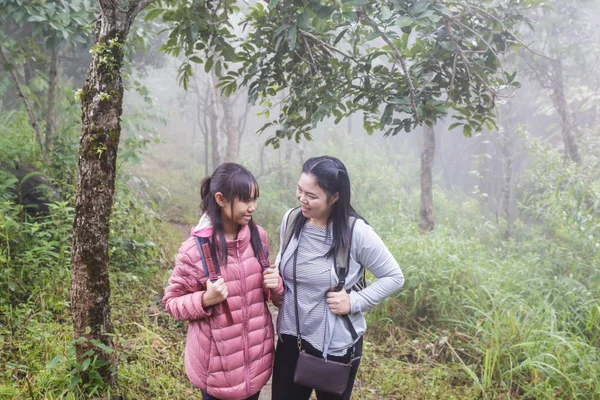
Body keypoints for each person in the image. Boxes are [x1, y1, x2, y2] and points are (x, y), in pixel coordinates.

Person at [271, 156, 405, 400]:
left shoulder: (357, 233)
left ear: (335, 197)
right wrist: (276, 284)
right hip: (291, 340)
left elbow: (394, 276)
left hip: (334, 348)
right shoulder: (291, 220)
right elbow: (284, 263)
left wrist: (354, 302)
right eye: (300, 190)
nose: (302, 199)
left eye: (312, 196)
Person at [163, 163, 283, 400]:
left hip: (256, 367)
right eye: (245, 200)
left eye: (255, 199)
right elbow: (171, 302)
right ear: (220, 199)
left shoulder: (258, 237)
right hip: (217, 373)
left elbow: (274, 298)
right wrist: (205, 299)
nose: (253, 207)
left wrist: (276, 285)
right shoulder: (194, 251)